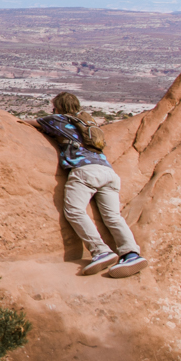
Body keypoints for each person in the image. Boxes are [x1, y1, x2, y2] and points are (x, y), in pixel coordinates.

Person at [27, 92, 146, 278]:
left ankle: (100, 251)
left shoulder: (58, 119)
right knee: (113, 217)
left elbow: (28, 123)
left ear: (58, 107)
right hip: (108, 172)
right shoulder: (87, 122)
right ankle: (131, 253)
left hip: (85, 171)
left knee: (74, 211)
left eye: (54, 107)